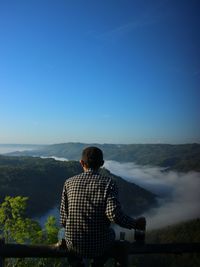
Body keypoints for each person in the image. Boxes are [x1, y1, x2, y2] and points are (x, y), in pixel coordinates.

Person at [60, 146, 146, 267]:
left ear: (81, 163)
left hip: (74, 246)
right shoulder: (109, 183)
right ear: (102, 164)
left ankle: (76, 263)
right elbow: (114, 215)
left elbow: (63, 219)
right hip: (100, 247)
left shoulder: (68, 182)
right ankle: (98, 263)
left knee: (62, 232)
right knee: (111, 234)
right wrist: (134, 224)